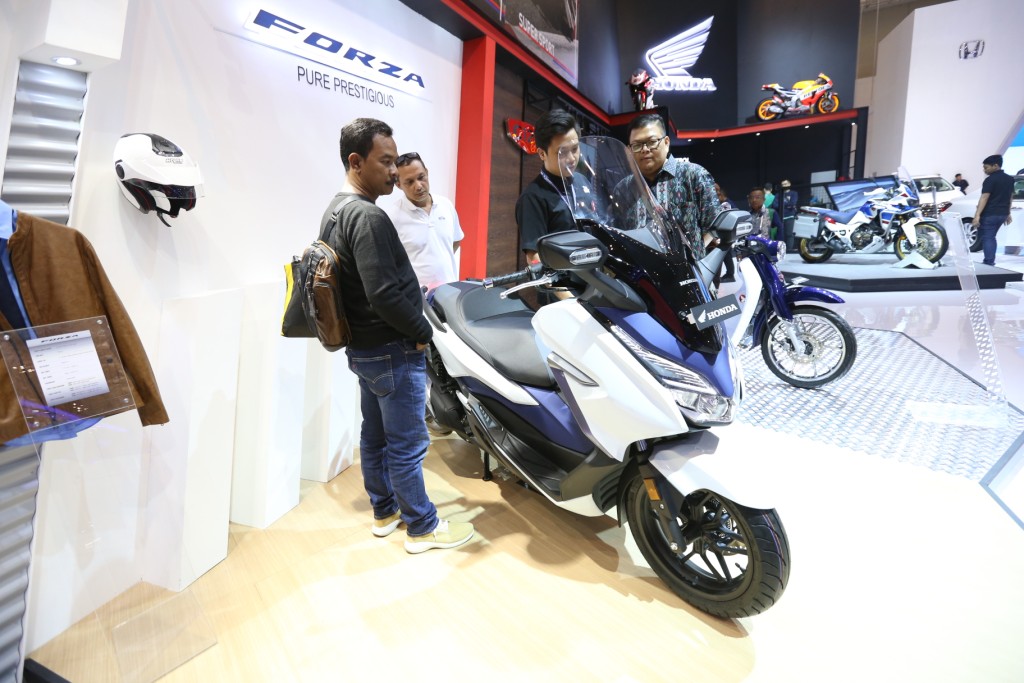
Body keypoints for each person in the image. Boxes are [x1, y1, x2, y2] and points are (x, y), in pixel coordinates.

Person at [326, 117, 473, 554]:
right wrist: (422, 331)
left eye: (397, 163)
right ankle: (422, 526)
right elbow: (384, 293)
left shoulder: (336, 209)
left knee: (374, 436)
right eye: (386, 162)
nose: (394, 172)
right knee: (409, 443)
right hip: (391, 347)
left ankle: (385, 511)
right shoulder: (368, 216)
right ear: (356, 162)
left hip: (365, 349)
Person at [625, 113, 721, 258]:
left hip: (687, 270)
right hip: (640, 270)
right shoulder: (624, 187)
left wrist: (696, 258)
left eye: (652, 142)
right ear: (629, 150)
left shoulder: (694, 175)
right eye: (637, 145)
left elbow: (714, 225)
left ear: (666, 142)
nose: (645, 149)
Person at [384, 152, 464, 291]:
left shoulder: (446, 205)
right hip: (416, 297)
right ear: (398, 184)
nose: (418, 186)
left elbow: (456, 240)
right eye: (409, 182)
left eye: (421, 177)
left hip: (451, 292)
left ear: (427, 172)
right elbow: (388, 263)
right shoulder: (392, 217)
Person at [515, 109, 582, 266]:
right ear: (542, 154)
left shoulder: (582, 182)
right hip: (562, 279)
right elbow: (534, 258)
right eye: (562, 153)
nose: (571, 159)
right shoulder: (533, 198)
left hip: (594, 276)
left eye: (575, 149)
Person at [971, 154, 1014, 267]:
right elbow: (1010, 197)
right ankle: (989, 260)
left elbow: (984, 197)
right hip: (1003, 214)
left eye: (986, 167)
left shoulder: (990, 180)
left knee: (988, 237)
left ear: (995, 166)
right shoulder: (1010, 179)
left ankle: (989, 262)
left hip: (990, 213)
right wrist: (1008, 213)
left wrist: (977, 215)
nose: (984, 170)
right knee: (991, 237)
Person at [779, 179, 799, 250]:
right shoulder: (779, 194)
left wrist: (782, 205)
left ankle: (789, 250)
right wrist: (788, 205)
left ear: (789, 184)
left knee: (789, 234)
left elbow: (793, 203)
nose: (784, 185)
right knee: (782, 235)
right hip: (781, 217)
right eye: (782, 184)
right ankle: (782, 250)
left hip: (790, 216)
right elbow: (775, 205)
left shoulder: (794, 193)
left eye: (785, 184)